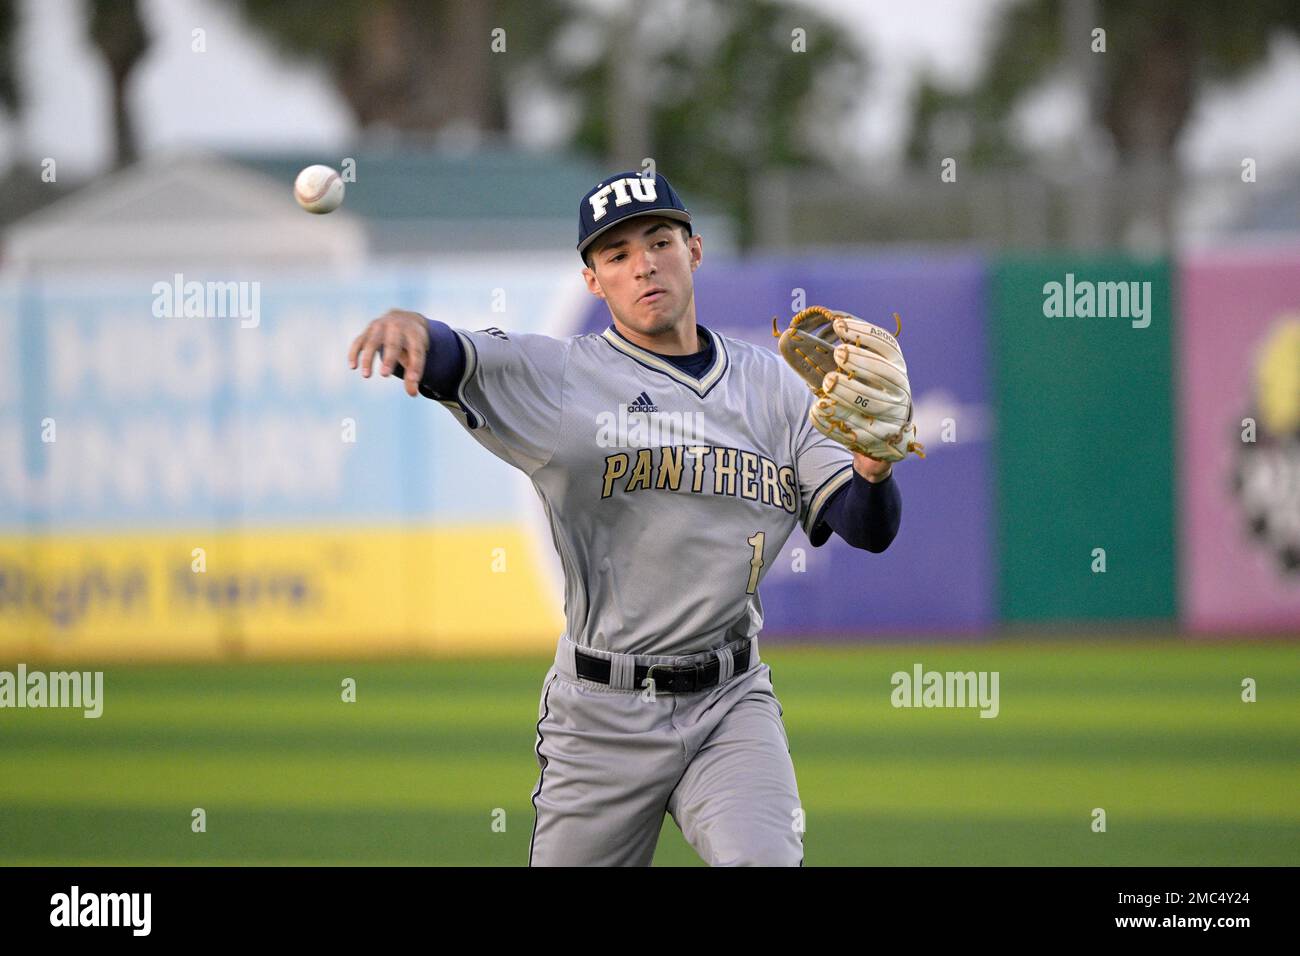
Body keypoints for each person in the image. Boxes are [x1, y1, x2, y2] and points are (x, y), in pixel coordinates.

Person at [347, 171, 903, 866]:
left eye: (659, 241)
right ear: (592, 281)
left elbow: (867, 527)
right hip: (600, 714)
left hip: (729, 703)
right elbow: (458, 355)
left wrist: (874, 467)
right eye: (616, 255)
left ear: (693, 251)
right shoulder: (559, 378)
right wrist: (413, 329)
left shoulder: (773, 388)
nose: (643, 263)